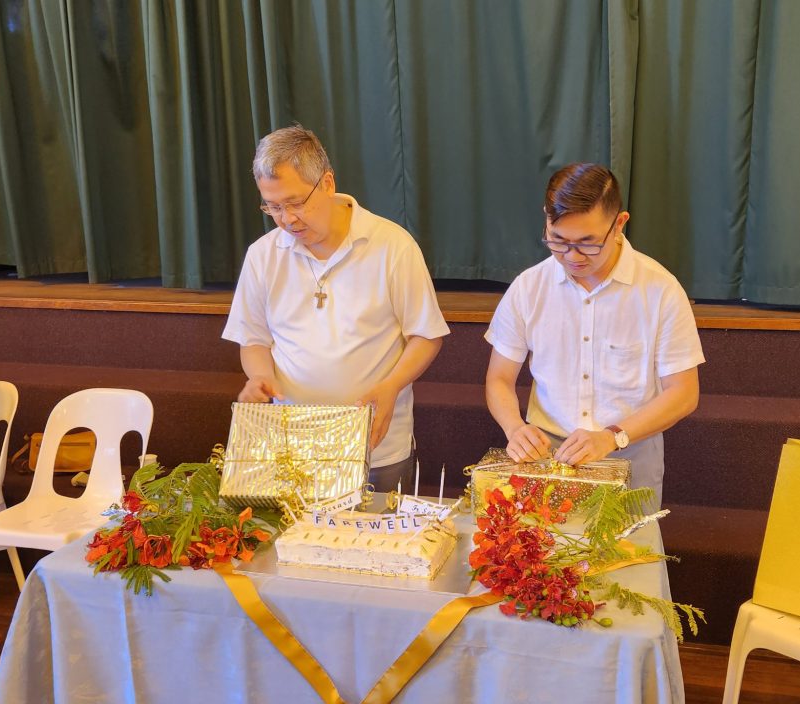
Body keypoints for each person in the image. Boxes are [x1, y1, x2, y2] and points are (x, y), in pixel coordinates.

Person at [224, 125, 449, 492]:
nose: (287, 219)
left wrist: (392, 385)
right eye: (274, 207)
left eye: (296, 202)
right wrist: (260, 378)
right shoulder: (263, 255)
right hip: (291, 447)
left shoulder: (392, 245)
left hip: (375, 446)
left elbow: (426, 335)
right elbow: (253, 339)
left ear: (327, 183)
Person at [484, 163, 704, 502]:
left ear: (619, 224)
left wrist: (612, 436)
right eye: (558, 240)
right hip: (546, 452)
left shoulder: (660, 289)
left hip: (628, 449)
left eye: (588, 243)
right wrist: (514, 427)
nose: (572, 256)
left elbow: (684, 393)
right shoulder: (529, 287)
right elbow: (499, 378)